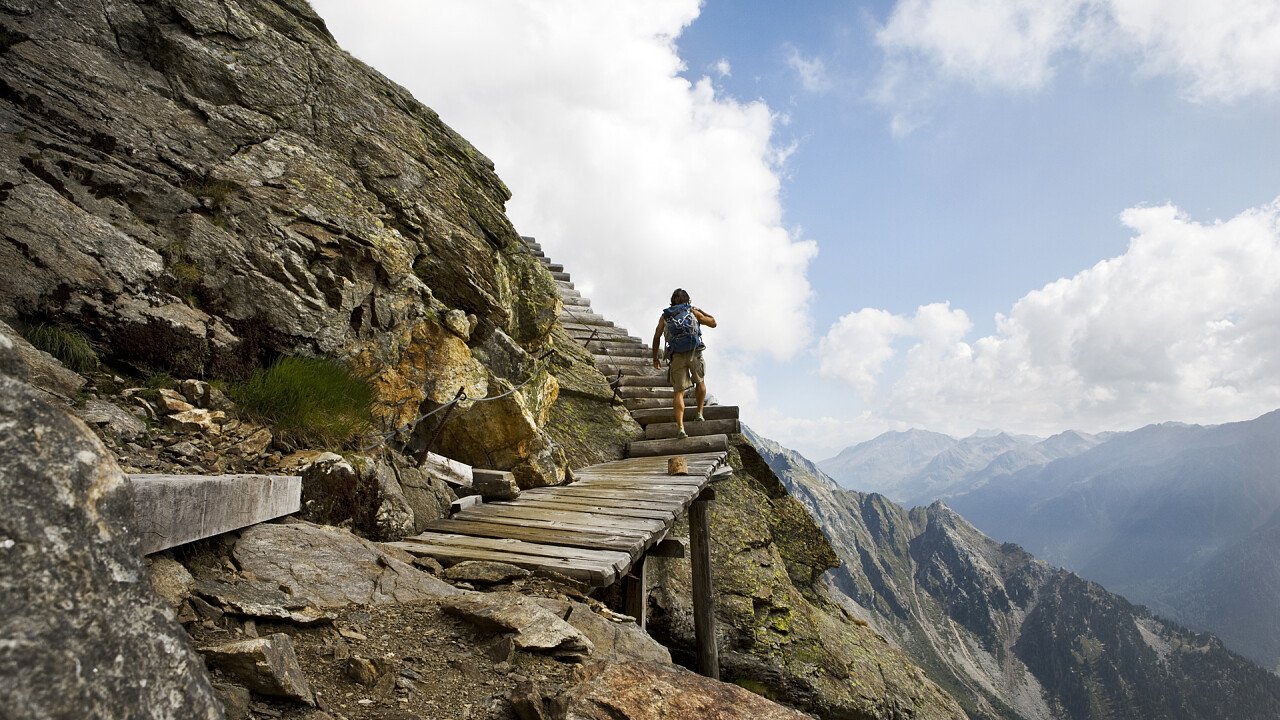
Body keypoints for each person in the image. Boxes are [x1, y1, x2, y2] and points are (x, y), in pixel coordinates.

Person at [651, 288, 717, 439]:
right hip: (695, 352)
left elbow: (656, 337)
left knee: (678, 392)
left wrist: (655, 358)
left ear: (672, 301)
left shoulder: (665, 316)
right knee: (700, 382)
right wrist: (700, 310)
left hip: (676, 356)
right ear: (688, 300)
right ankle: (699, 413)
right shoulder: (692, 311)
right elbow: (713, 323)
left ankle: (681, 428)